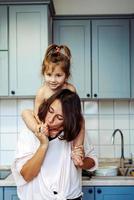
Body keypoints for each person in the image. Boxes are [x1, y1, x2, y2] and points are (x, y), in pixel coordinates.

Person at [12, 89, 98, 200]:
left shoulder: (76, 132)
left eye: (59, 117)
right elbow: (26, 175)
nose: (50, 120)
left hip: (71, 197)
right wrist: (43, 145)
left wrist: (82, 163)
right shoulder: (30, 131)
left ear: (69, 120)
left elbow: (92, 162)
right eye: (50, 111)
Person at [22, 44, 85, 166]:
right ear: (43, 73)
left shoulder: (70, 89)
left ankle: (77, 150)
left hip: (62, 125)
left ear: (66, 75)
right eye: (49, 75)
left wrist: (65, 125)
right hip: (46, 126)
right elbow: (36, 112)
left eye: (58, 75)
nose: (53, 80)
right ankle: (38, 129)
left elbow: (74, 113)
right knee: (26, 113)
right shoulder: (42, 91)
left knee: (81, 120)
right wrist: (41, 125)